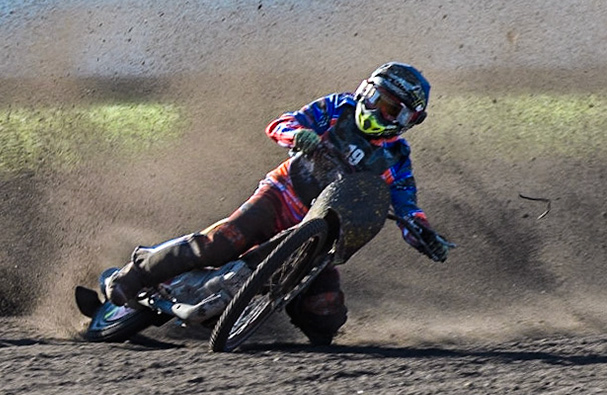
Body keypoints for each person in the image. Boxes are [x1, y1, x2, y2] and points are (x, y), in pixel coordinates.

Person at [104, 62, 451, 346]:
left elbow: (408, 209)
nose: (375, 108)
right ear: (363, 90)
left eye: (389, 107)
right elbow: (283, 123)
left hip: (322, 238)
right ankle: (131, 277)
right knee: (221, 241)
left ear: (408, 120)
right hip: (280, 196)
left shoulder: (397, 159)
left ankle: (244, 311)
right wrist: (296, 134)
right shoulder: (337, 108)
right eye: (374, 97)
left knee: (325, 318)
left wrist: (424, 235)